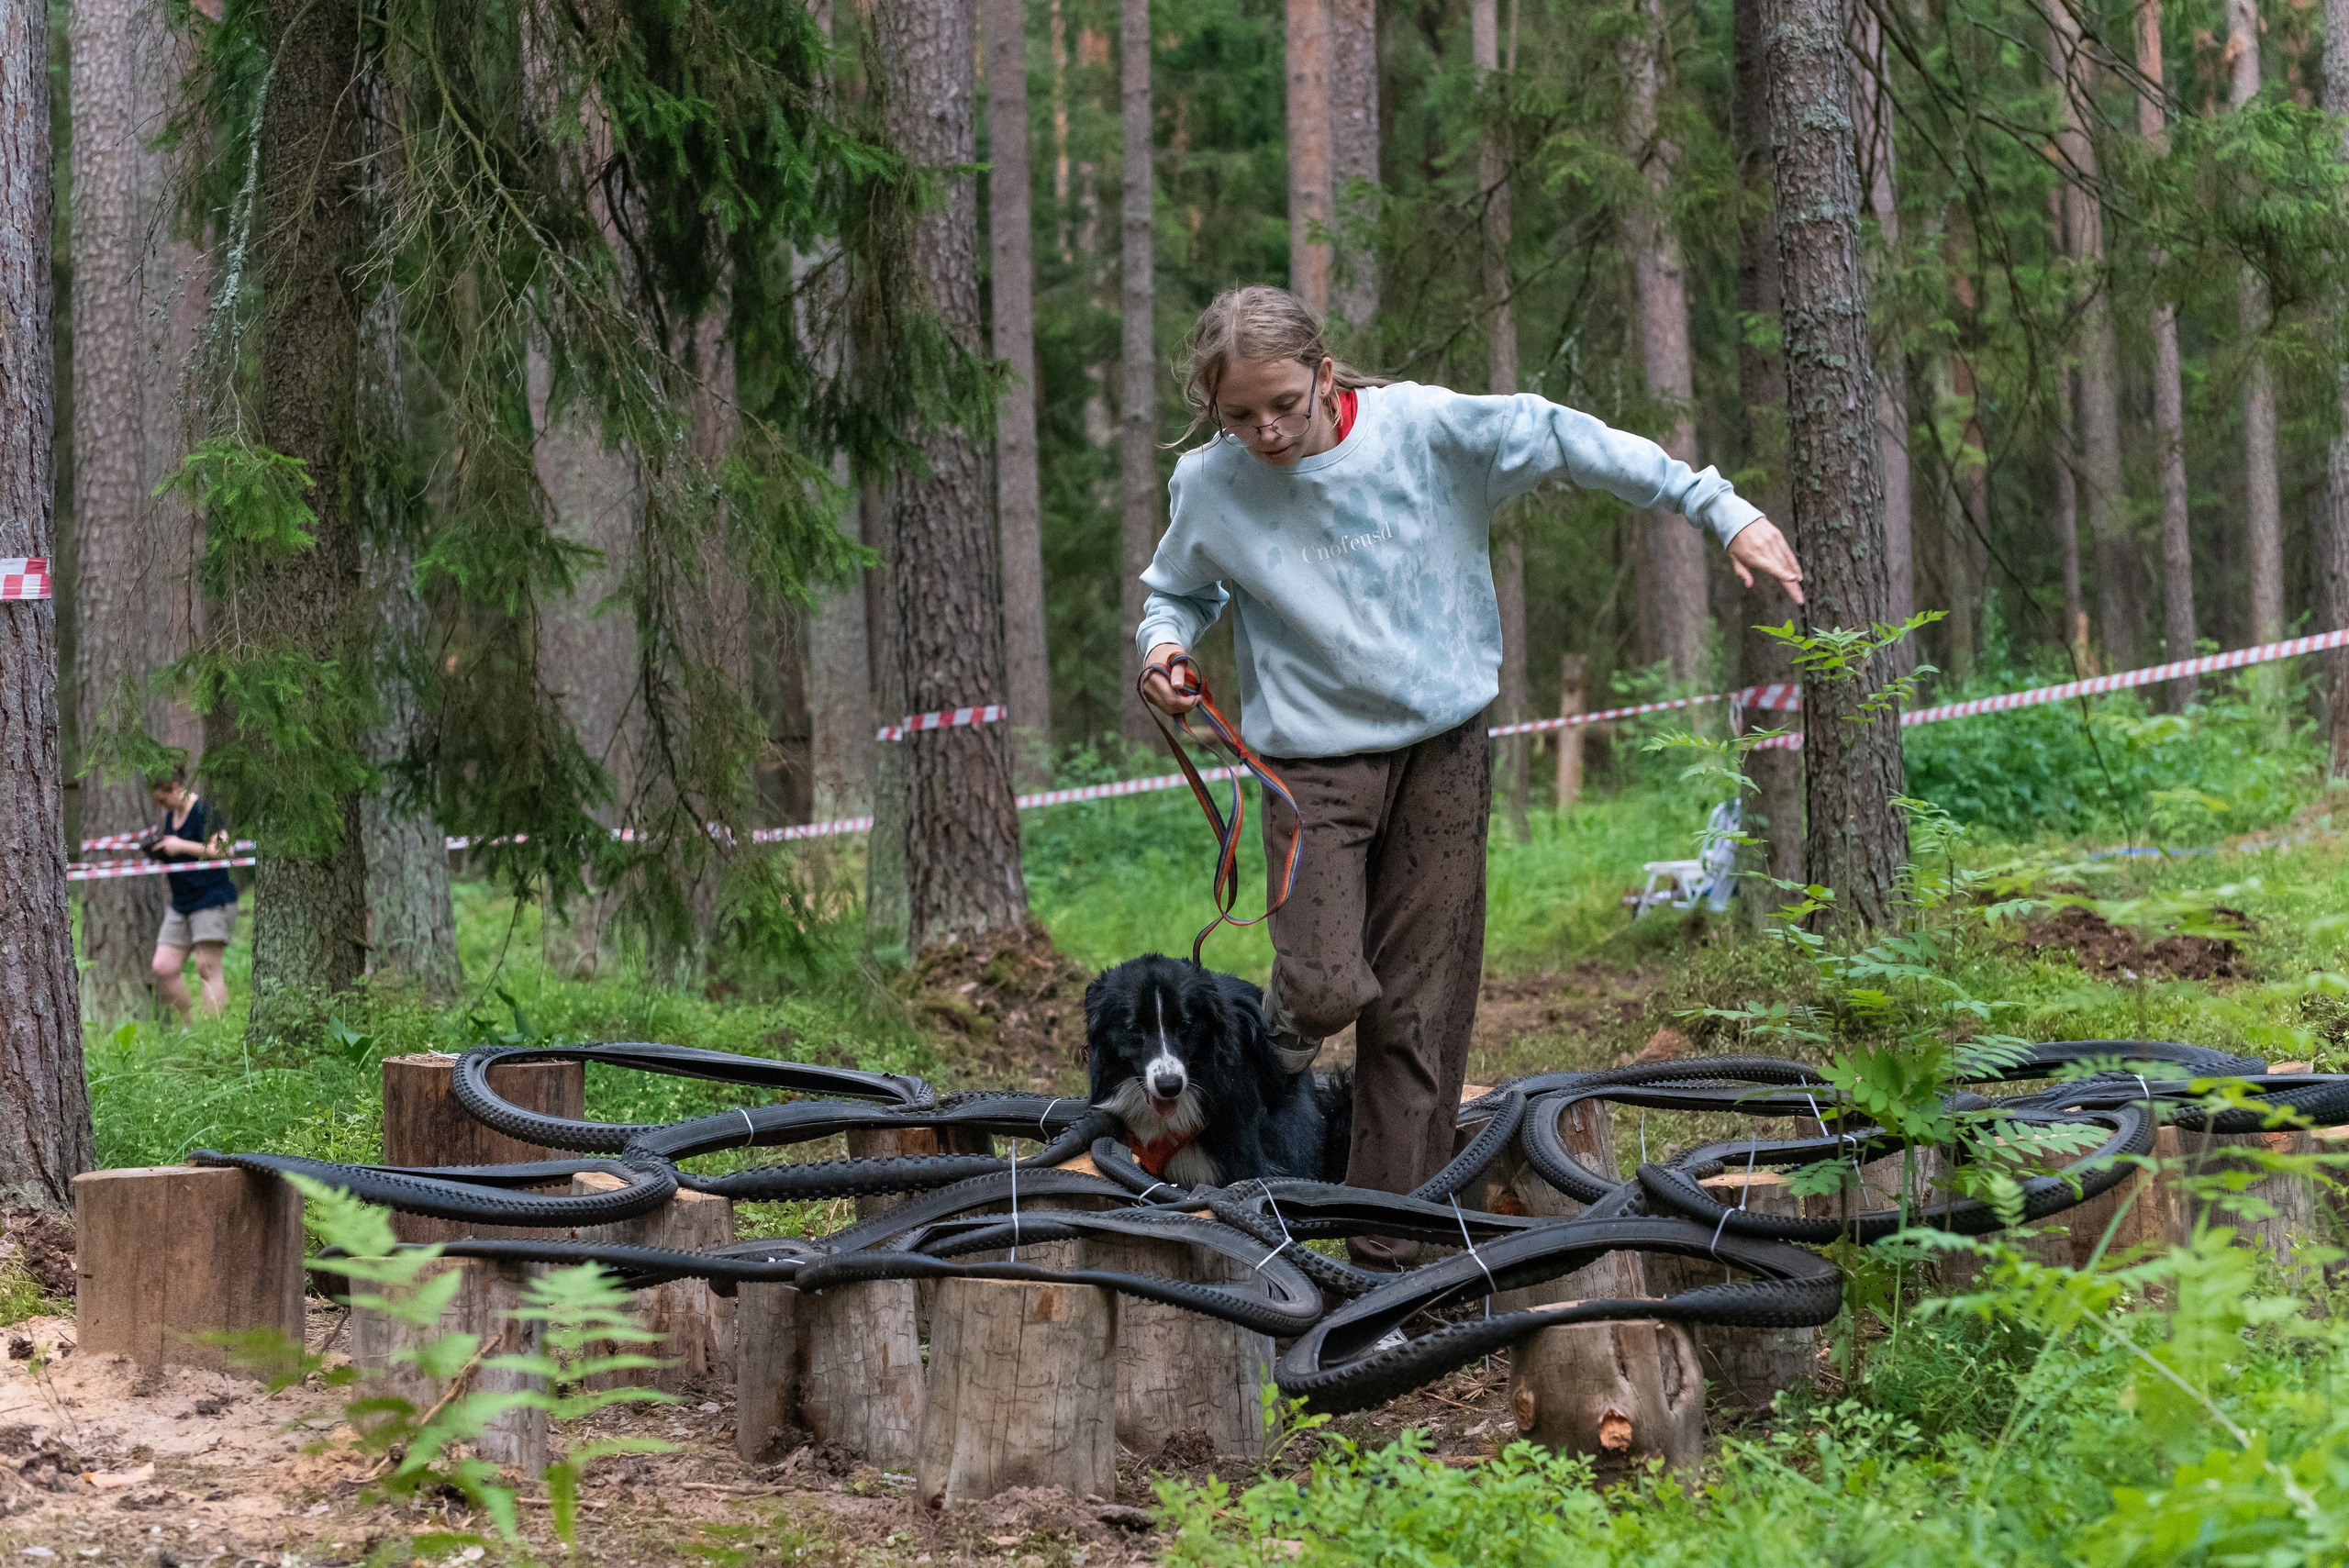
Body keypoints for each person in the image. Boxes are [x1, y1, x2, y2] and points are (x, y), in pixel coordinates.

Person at [1134, 285, 1807, 1266]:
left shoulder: (1425, 430)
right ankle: (1265, 1062)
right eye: (1240, 415)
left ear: (1324, 373)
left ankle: (1387, 1249)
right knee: (1324, 984)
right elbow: (1177, 592)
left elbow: (1569, 437)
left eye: (1282, 402)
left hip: (1443, 748)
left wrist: (1719, 507)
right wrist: (1162, 651)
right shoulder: (1211, 483)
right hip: (1309, 763)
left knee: (1416, 1007)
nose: (1266, 429)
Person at [145, 771, 239, 1020]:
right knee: (163, 967)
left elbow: (225, 849)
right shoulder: (170, 816)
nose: (162, 806)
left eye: (163, 800)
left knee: (207, 967)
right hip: (181, 904)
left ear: (176, 787)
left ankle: (213, 1033)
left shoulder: (204, 810)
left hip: (211, 899)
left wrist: (181, 846)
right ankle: (189, 1025)